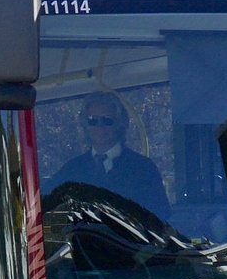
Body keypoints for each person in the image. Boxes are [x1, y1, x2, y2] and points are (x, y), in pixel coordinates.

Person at [48, 92, 170, 220]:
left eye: (107, 120)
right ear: (85, 125)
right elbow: (46, 202)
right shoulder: (72, 169)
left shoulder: (143, 168)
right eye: (92, 121)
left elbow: (161, 215)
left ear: (120, 123)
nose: (100, 127)